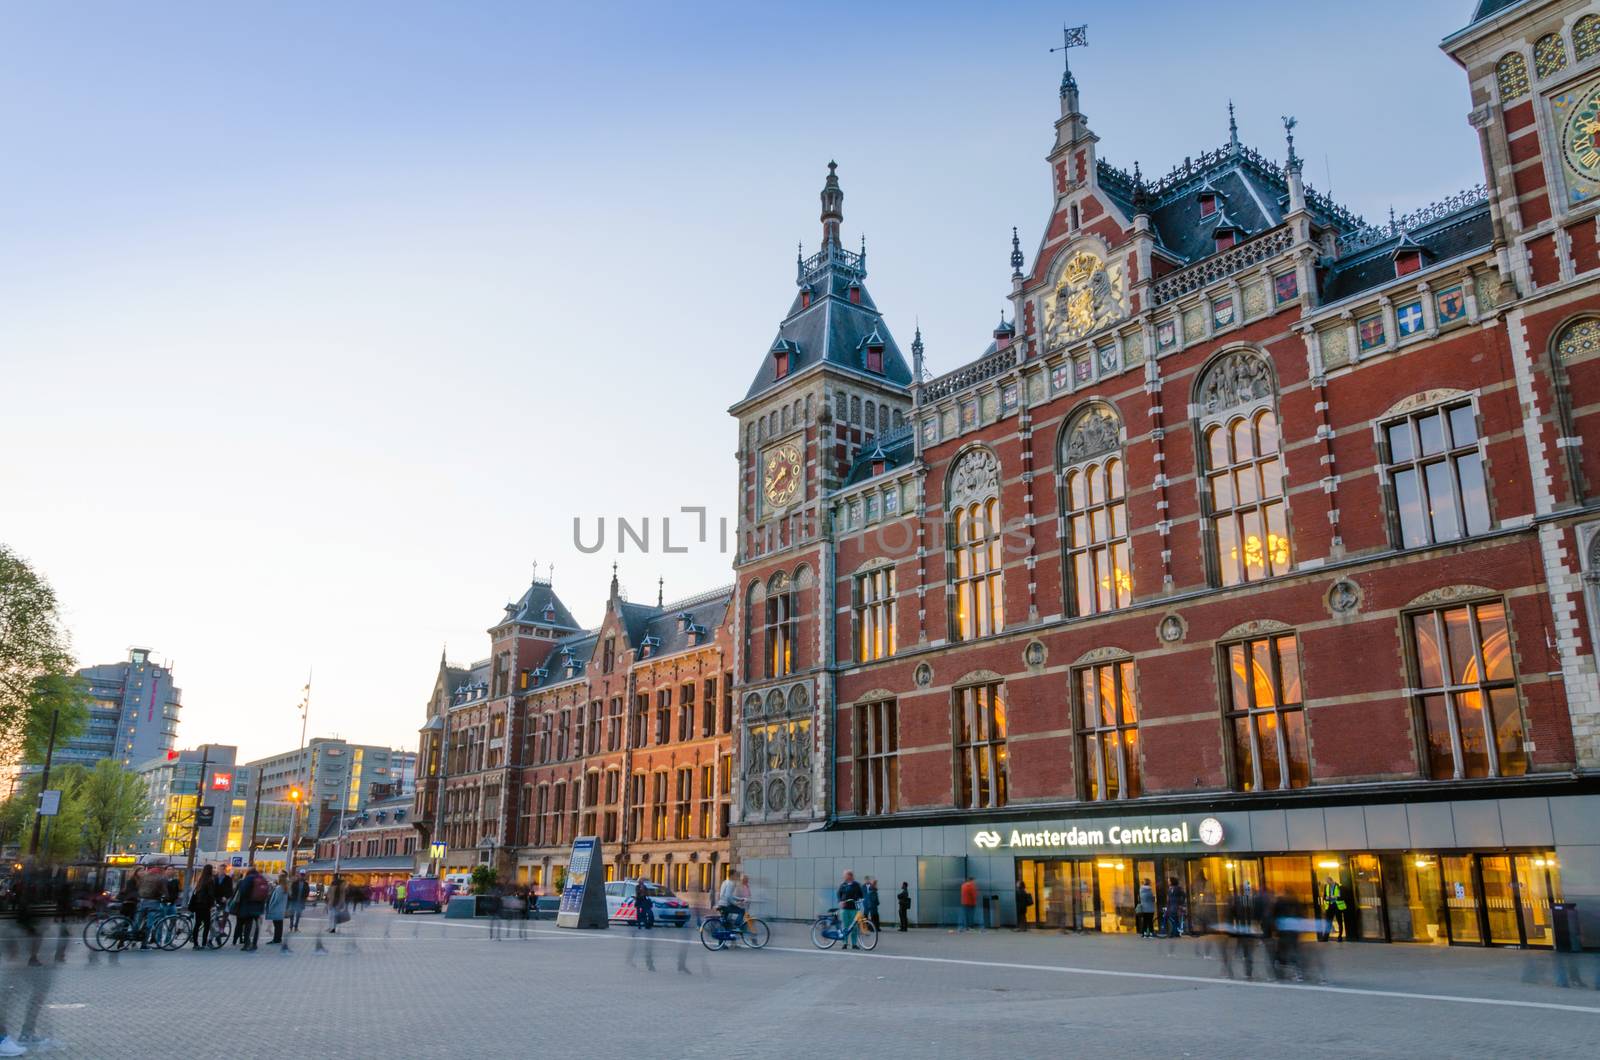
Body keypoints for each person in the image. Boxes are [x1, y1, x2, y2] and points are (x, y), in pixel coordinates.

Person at [233, 866, 267, 951]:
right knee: (257, 925)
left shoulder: (248, 878)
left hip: (248, 905)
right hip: (259, 905)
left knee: (248, 925)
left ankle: (247, 944)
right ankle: (255, 944)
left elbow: (243, 891)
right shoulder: (262, 878)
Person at [134, 864, 168, 949]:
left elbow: (138, 887)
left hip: (142, 901)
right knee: (149, 923)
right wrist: (166, 897)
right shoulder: (160, 879)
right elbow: (164, 891)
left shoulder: (144, 878)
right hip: (153, 902)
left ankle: (133, 939)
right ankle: (144, 944)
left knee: (138, 921)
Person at [188, 865, 216, 950]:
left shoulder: (200, 879)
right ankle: (204, 943)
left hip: (197, 905)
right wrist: (212, 904)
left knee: (197, 924)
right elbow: (211, 894)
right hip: (205, 905)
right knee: (207, 925)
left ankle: (195, 944)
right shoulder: (210, 880)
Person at [836, 871, 864, 950]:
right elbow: (838, 894)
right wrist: (840, 901)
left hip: (854, 908)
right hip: (845, 909)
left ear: (850, 876)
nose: (845, 877)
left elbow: (861, 894)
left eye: (846, 876)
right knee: (845, 926)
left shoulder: (856, 885)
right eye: (844, 876)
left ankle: (854, 944)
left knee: (854, 927)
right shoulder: (843, 885)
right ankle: (845, 943)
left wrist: (860, 900)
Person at [264, 874, 288, 945]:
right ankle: (278, 938)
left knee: (276, 925)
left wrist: (271, 906)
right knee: (279, 925)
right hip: (281, 909)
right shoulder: (285, 888)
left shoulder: (279, 888)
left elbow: (276, 899)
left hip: (276, 909)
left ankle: (276, 939)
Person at [1321, 875, 1346, 941]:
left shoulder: (1339, 886)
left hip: (1337, 906)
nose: (1327, 883)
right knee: (1328, 921)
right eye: (1326, 882)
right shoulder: (1326, 886)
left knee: (1339, 922)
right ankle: (1325, 937)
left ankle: (1340, 937)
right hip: (1330, 906)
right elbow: (1324, 897)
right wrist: (1326, 898)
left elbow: (1342, 896)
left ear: (1331, 880)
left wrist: (1335, 897)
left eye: (1327, 881)